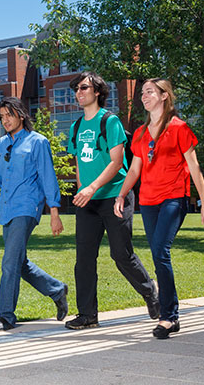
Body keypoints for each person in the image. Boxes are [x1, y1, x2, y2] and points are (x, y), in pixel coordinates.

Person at [113, 78, 204, 339]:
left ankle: (168, 316)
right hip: (148, 200)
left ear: (164, 96)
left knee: (160, 251)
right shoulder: (140, 133)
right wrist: (121, 195)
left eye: (150, 92)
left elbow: (194, 167)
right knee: (159, 254)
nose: (144, 97)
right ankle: (171, 314)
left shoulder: (180, 128)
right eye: (143, 93)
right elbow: (135, 168)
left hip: (174, 197)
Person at [65, 71, 159, 331]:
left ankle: (150, 291)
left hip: (114, 197)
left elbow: (117, 162)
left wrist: (92, 187)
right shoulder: (75, 126)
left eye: (84, 88)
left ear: (97, 92)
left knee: (121, 255)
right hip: (88, 202)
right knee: (83, 258)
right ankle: (87, 315)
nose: (79, 93)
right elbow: (79, 163)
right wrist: (83, 188)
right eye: (76, 89)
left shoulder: (110, 121)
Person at [0, 96, 68, 331]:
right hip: (7, 208)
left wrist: (54, 213)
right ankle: (57, 289)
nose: (5, 120)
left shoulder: (38, 142)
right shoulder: (0, 144)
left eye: (9, 115)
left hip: (27, 207)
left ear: (21, 114)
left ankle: (5, 316)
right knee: (19, 261)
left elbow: (48, 178)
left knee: (9, 263)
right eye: (2, 117)